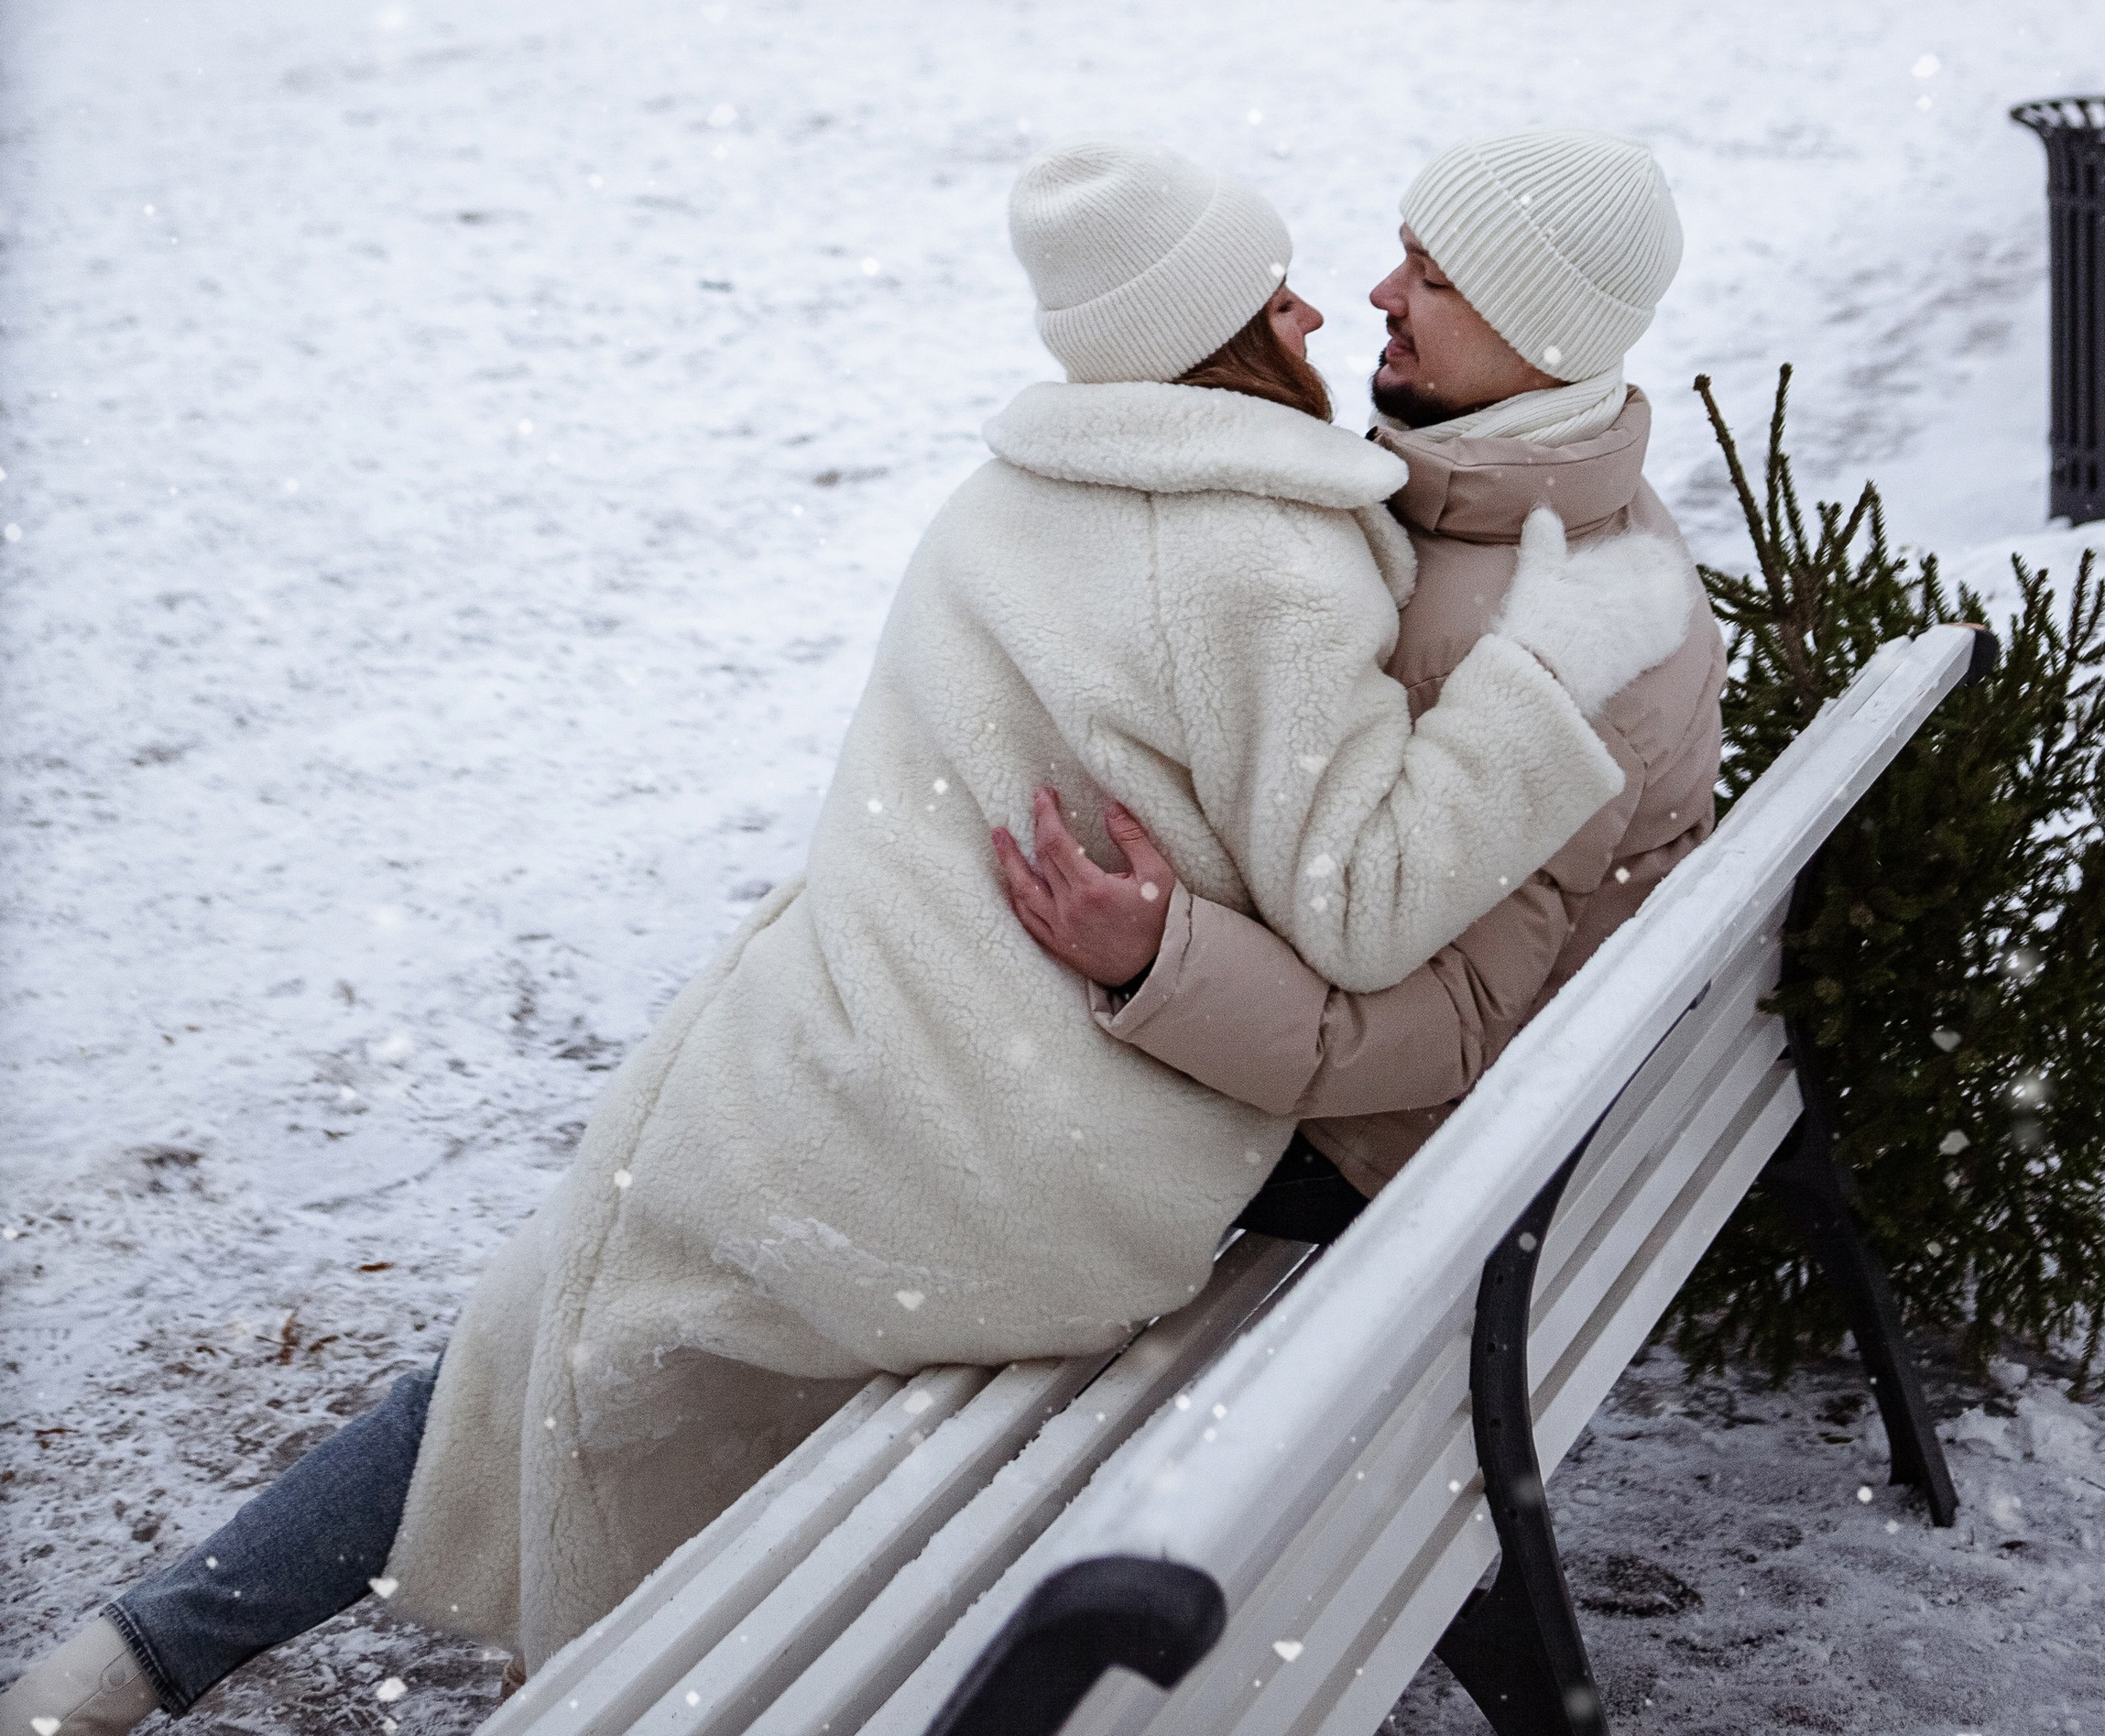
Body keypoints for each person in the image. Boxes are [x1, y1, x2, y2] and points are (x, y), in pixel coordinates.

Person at [5, 139, 1661, 1723]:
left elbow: (1353, 909)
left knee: (562, 1322)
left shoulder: (1014, 504)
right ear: (1215, 340)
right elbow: (1363, 889)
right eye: (1281, 290)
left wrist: (1510, 700)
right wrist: (1525, 696)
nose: (1328, 309)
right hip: (977, 1112)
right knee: (570, 1314)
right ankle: (226, 1650)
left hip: (934, 1110)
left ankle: (179, 1652)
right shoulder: (1273, 556)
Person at [998, 127, 1725, 1207]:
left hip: (1402, 1158)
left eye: (1432, 278)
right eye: (1404, 254)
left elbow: (1451, 1028)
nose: (1380, 293)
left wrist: (1159, 962)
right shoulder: (1490, 511)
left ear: (1543, 339)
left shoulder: (1568, 635)